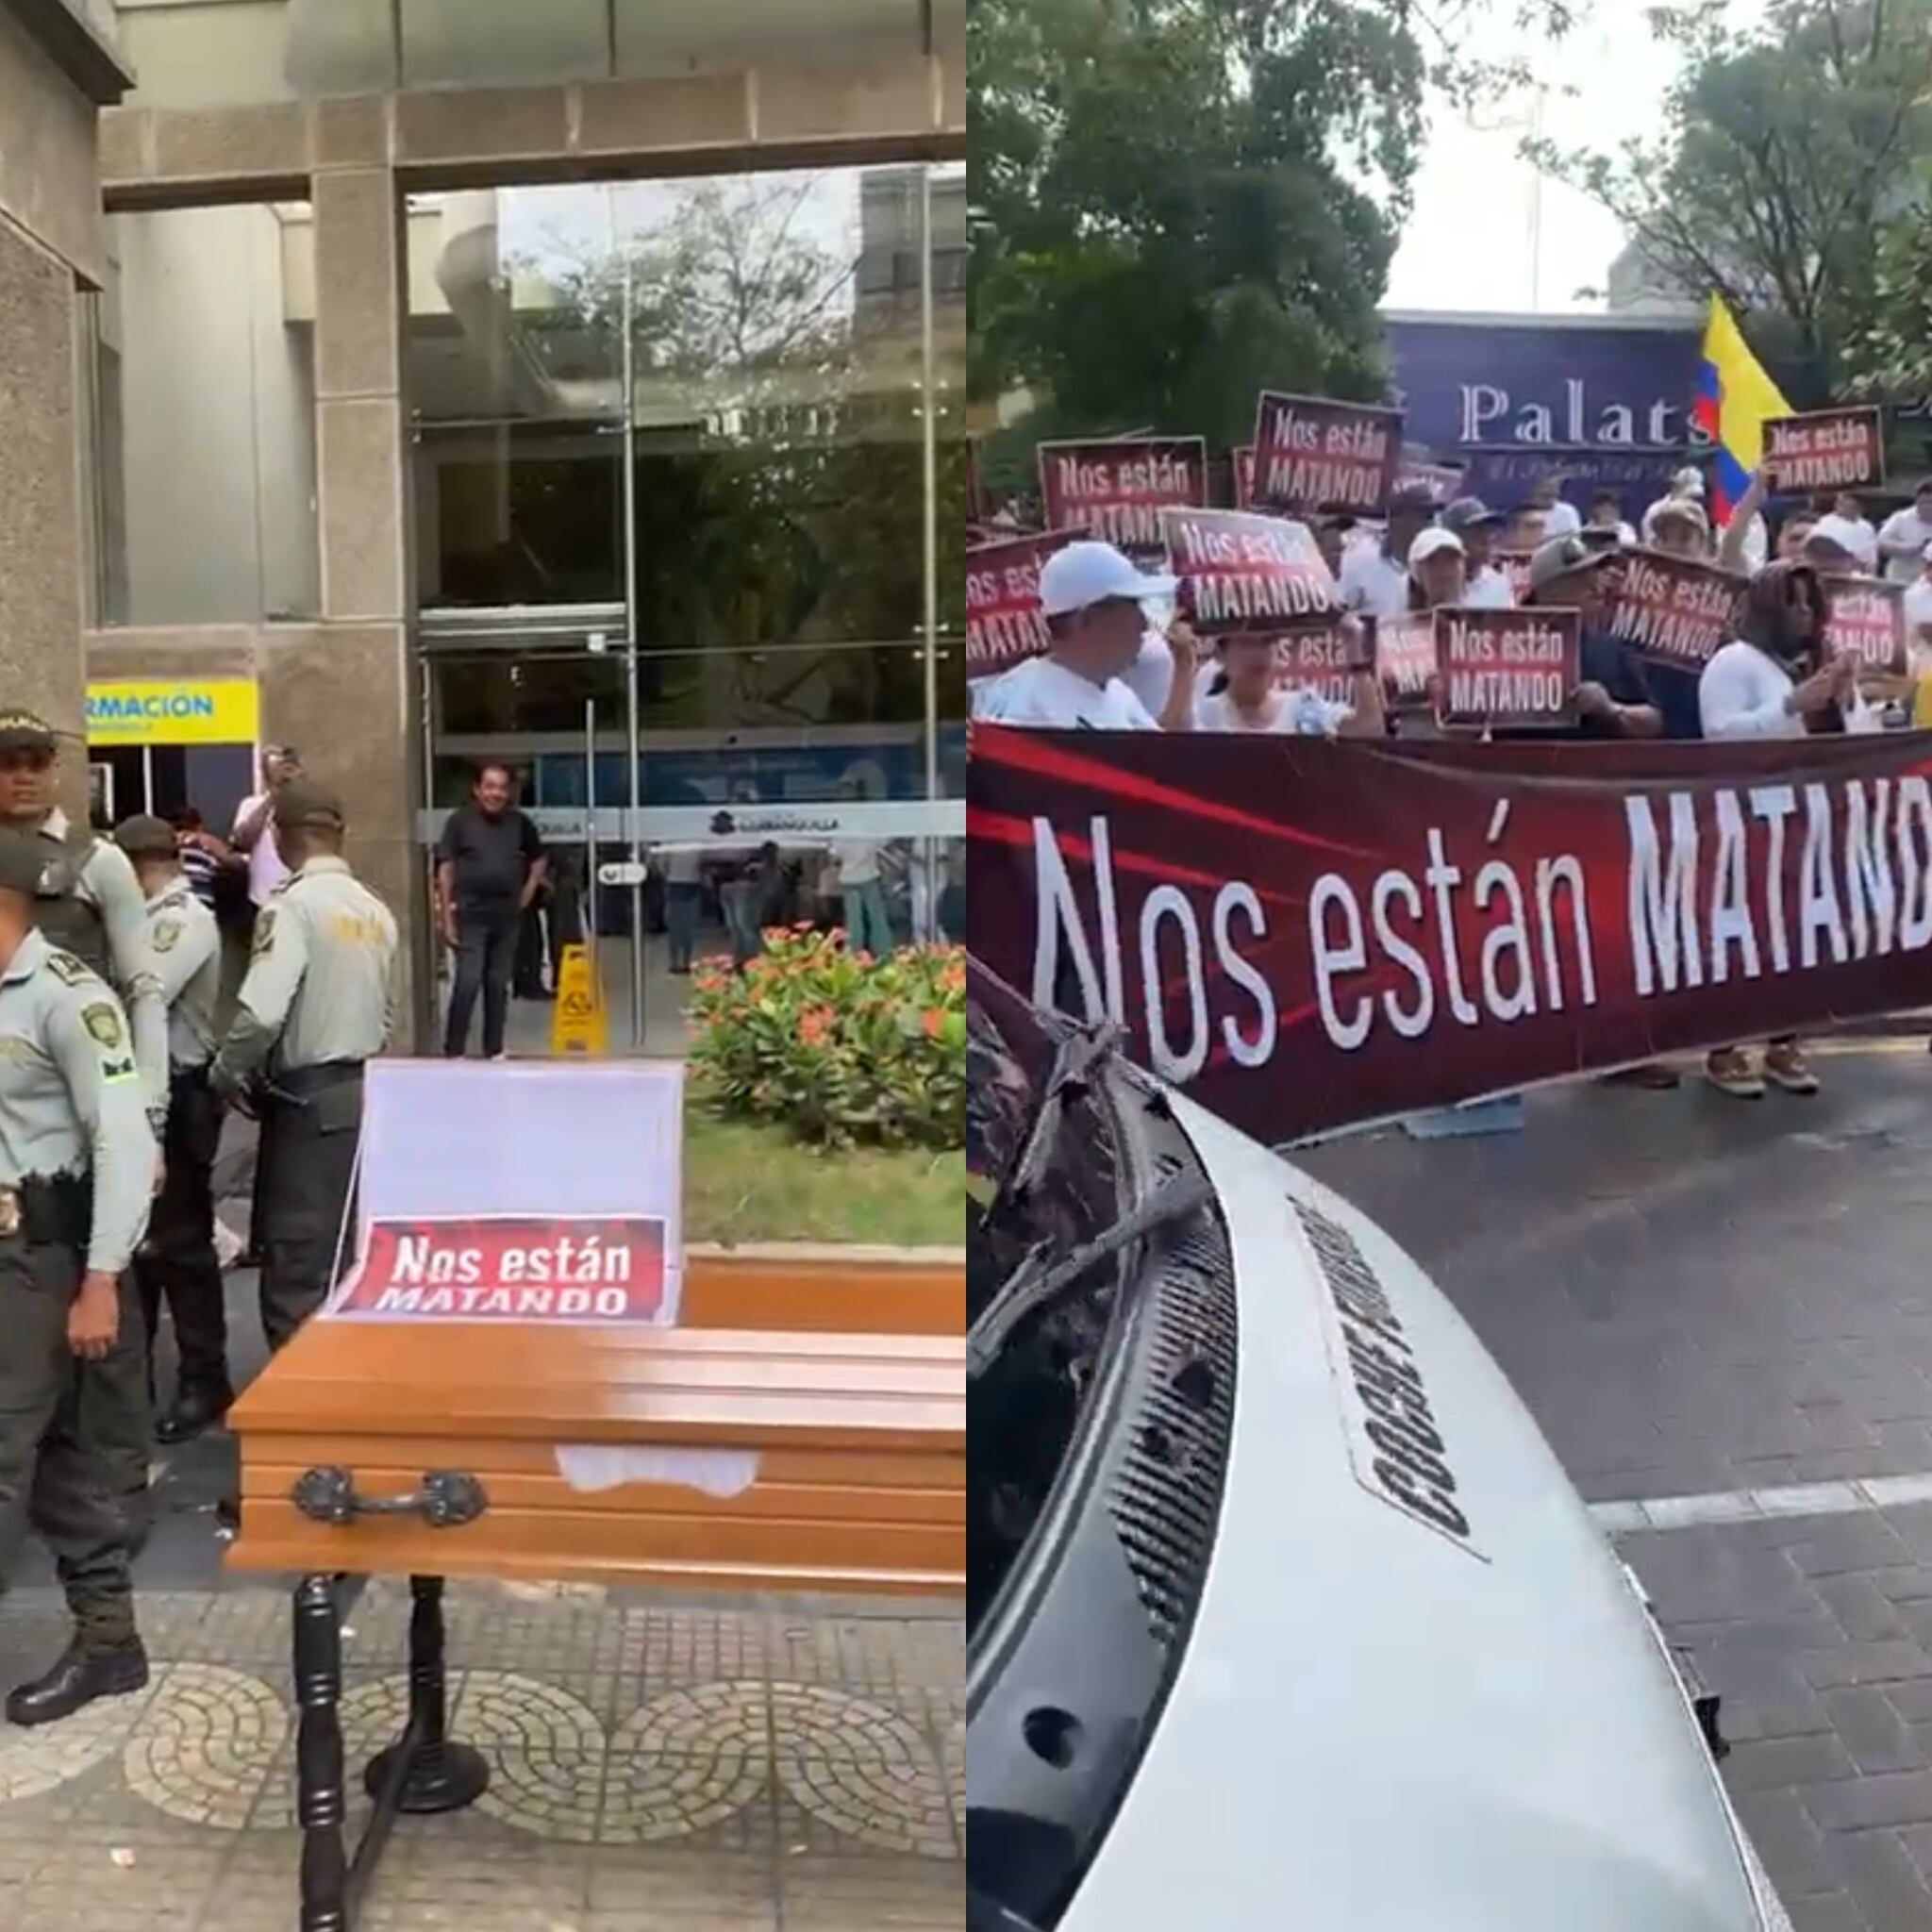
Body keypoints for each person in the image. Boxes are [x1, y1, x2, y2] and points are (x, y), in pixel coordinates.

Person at [0, 827, 158, 1726]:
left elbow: (124, 1140)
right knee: (60, 1457)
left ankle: (109, 1642)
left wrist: (101, 1278)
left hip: (43, 1261)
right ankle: (109, 1643)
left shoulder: (68, 998)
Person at [210, 780, 397, 1353]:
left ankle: (301, 1421)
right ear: (340, 833)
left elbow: (263, 1012)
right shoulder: (374, 909)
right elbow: (386, 1017)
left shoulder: (293, 908)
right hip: (361, 1095)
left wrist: (226, 1071)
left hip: (306, 1103)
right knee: (343, 1258)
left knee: (294, 1267)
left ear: (281, 838)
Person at [1697, 562, 1871, 1100]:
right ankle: (1724, 1048)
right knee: (1741, 936)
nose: (1803, 613)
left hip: (1810, 823)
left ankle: (1783, 1041)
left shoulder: (1814, 664)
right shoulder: (1733, 662)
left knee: (1799, 939)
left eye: (1809, 602)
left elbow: (1862, 737)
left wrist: (1843, 700)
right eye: (1792, 602)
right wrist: (1790, 705)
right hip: (1747, 824)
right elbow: (1719, 736)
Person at [113, 816, 228, 1445]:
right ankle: (146, 1385)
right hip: (150, 1090)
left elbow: (142, 993)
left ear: (138, 867)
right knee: (144, 1249)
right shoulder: (147, 921)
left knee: (181, 1250)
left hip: (179, 1091)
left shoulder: (180, 920)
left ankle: (203, 1381)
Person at [0, 711, 169, 1138]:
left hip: (75, 1082)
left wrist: (148, 1107)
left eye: (36, 762)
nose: (23, 777)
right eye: (7, 763)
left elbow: (144, 988)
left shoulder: (98, 860)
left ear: (55, 770)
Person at [973, 540, 1186, 728]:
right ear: (1086, 620)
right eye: (1131, 606)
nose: (1144, 623)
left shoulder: (1118, 694)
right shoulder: (1024, 709)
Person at [436, 762, 546, 1061]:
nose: (495, 793)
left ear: (508, 791)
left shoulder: (519, 823)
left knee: (498, 983)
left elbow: (538, 859)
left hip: (507, 914)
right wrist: (446, 915)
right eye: (489, 787)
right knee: (468, 981)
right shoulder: (460, 822)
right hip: (470, 912)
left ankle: (493, 1047)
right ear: (477, 789)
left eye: (501, 787)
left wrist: (527, 892)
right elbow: (445, 867)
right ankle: (454, 1048)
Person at [1193, 630, 1384, 737]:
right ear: (1221, 655)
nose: (1259, 654)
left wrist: (1356, 656)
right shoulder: (1206, 714)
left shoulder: (1301, 709)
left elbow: (1367, 729)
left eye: (1267, 642)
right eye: (1247, 643)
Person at [1338, 487, 1435, 620]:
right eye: (1423, 517)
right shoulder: (1360, 562)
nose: (1430, 524)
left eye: (1431, 516)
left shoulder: (1439, 564)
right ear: (1395, 520)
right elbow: (1340, 615)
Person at [230, 744, 300, 911]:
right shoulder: (251, 804)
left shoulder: (304, 804)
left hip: (298, 895)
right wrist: (272, 798)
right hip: (262, 898)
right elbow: (242, 842)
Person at [1441, 498, 1515, 607]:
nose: (1485, 539)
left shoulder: (1498, 584)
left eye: (1487, 530)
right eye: (1476, 531)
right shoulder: (1433, 582)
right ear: (1454, 536)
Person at [832, 834, 895, 959]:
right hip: (869, 875)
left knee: (853, 919)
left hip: (848, 877)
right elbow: (886, 839)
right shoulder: (869, 831)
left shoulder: (841, 833)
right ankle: (883, 952)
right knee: (876, 916)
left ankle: (853, 953)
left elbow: (835, 853)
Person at [1878, 479, 1932, 584]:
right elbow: (1882, 543)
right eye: (1923, 502)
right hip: (1900, 579)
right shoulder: (1901, 518)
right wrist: (1906, 548)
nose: (1927, 507)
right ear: (1916, 500)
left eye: (1931, 503)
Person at [660, 844, 704, 974]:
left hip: (676, 882)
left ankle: (677, 962)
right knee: (686, 927)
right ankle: (684, 961)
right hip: (690, 883)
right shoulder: (697, 845)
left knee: (679, 927)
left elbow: (662, 865)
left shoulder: (671, 844)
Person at [1528, 468, 1581, 538]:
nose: (1548, 491)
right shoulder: (1522, 513)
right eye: (1544, 486)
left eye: (1554, 488)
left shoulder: (1567, 511)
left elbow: (1573, 539)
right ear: (1534, 490)